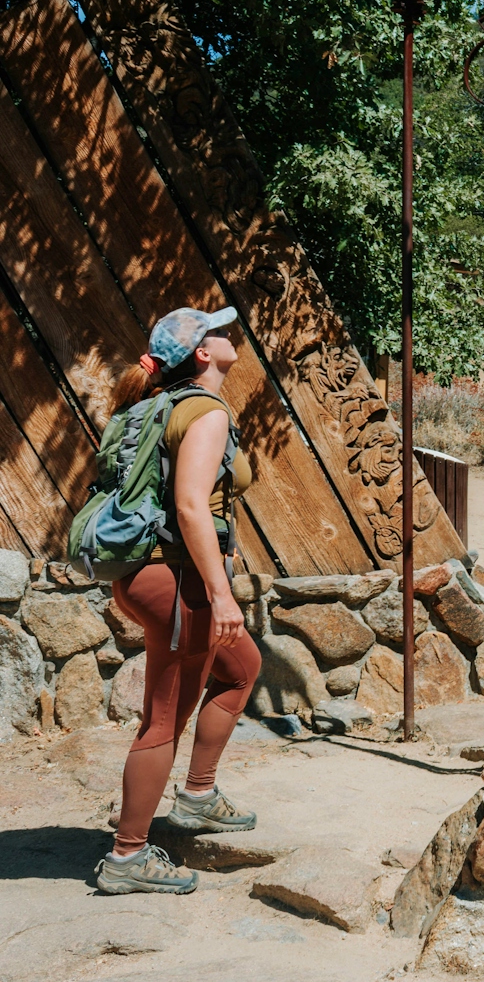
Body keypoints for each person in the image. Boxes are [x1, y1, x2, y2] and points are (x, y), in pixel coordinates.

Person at [95, 307, 262, 896]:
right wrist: (221, 596)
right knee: (164, 714)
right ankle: (129, 855)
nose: (227, 336)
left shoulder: (151, 408)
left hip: (148, 575)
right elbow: (191, 506)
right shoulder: (205, 412)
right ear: (201, 355)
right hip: (176, 579)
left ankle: (196, 794)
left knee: (238, 669)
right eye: (216, 333)